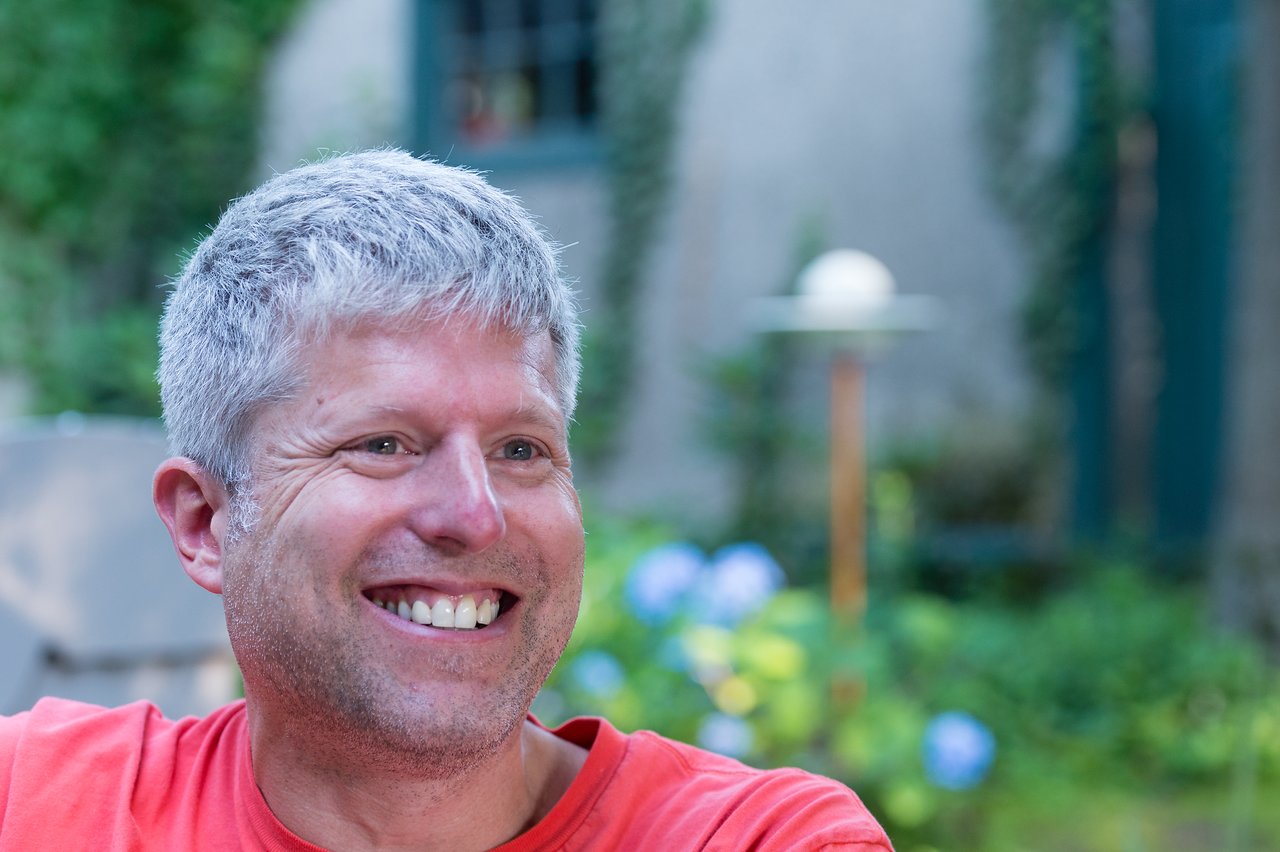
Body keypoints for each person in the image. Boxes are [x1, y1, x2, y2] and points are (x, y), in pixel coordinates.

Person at [0, 150, 892, 850]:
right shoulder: (37, 803)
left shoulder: (754, 839)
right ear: (205, 522)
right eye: (383, 445)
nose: (475, 514)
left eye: (521, 450)